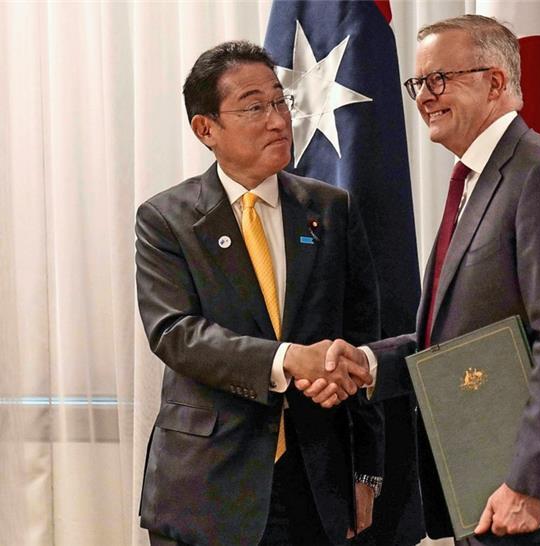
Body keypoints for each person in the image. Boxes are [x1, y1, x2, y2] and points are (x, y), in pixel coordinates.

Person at [300, 15, 540, 546]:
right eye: (418, 83)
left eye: (440, 79)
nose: (424, 96)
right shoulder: (474, 181)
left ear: (496, 82)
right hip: (483, 484)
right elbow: (461, 336)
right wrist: (368, 364)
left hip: (537, 499)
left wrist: (528, 484)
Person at [135, 40, 384, 546]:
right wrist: (287, 359)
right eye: (253, 107)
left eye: (279, 101)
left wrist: (368, 472)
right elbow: (175, 333)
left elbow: (363, 342)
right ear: (206, 128)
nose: (277, 120)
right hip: (208, 483)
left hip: (315, 482)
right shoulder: (166, 219)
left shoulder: (331, 209)